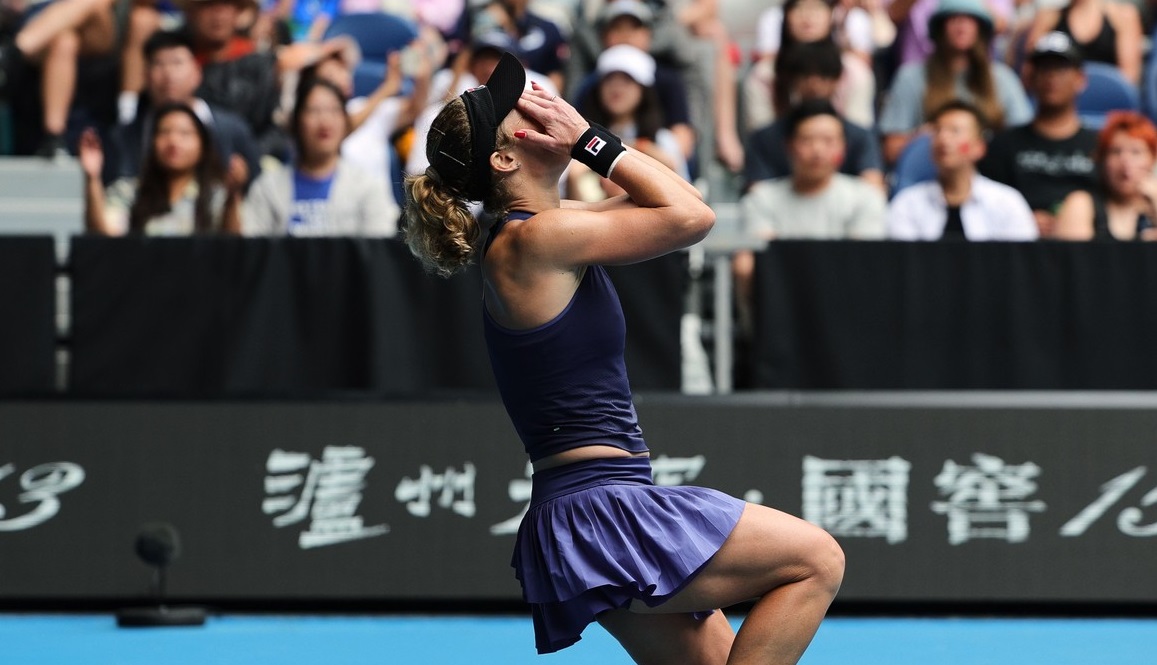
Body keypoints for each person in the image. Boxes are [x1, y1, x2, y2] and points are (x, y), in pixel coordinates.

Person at [403, 50, 844, 662]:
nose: (545, 109)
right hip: (603, 511)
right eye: (523, 113)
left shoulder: (544, 228)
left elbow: (679, 197)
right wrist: (587, 138)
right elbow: (695, 216)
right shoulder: (536, 239)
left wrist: (591, 140)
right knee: (817, 559)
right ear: (504, 158)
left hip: (588, 514)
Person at [877, 0, 1031, 165]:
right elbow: (891, 150)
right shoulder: (911, 77)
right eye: (953, 18)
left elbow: (1025, 141)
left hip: (991, 174)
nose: (961, 26)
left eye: (969, 19)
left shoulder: (1002, 79)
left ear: (982, 29)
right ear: (939, 28)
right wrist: (927, 138)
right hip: (930, 174)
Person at [108, 29, 261, 190]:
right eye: (159, 64)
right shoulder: (125, 136)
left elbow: (256, 186)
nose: (168, 74)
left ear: (197, 72)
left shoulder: (232, 128)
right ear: (146, 76)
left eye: (177, 63)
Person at [243, 78, 397, 235]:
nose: (325, 121)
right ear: (297, 121)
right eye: (314, 110)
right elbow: (252, 249)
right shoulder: (267, 187)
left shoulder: (368, 186)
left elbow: (379, 250)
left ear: (345, 121)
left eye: (333, 110)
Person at [979, 31, 1096, 237]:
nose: (1051, 76)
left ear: (1080, 79)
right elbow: (984, 204)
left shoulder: (1100, 145)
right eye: (1044, 68)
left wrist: (1070, 220)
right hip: (1017, 249)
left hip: (1087, 251)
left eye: (1061, 68)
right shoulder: (1003, 144)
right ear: (1030, 78)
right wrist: (1021, 219)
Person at [81, 102, 242, 234]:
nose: (173, 141)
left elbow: (233, 243)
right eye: (164, 132)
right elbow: (105, 235)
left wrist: (233, 195)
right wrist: (92, 178)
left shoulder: (216, 195)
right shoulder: (128, 192)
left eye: (185, 133)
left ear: (203, 146)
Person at [744, 39, 884, 191]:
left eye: (823, 76)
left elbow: (874, 188)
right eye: (805, 76)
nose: (814, 85)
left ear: (837, 81)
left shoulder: (860, 136)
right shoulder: (766, 138)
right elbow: (756, 195)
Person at [888, 99, 1037, 240]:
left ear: (979, 147)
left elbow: (1021, 261)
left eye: (955, 131)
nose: (943, 139)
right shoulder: (907, 204)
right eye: (937, 130)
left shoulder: (1007, 203)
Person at [570, 43, 689, 199]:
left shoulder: (664, 140)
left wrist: (643, 148)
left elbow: (685, 199)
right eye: (609, 78)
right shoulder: (580, 138)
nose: (616, 87)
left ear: (643, 90)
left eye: (627, 79)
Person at [1053, 111, 1157, 241]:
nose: (1125, 161)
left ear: (1152, 160)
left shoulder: (1154, 205)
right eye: (1116, 151)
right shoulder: (1082, 204)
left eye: (1136, 152)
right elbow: (1072, 258)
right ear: (1101, 159)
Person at [1022, 0, 1142, 84]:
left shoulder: (1123, 16)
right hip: (1058, 107)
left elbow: (1128, 81)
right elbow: (1029, 73)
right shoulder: (1047, 18)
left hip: (1107, 108)